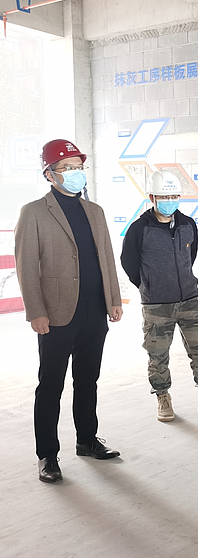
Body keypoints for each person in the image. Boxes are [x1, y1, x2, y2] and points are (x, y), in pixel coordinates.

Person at [15, 139, 123, 484]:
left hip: (94, 310)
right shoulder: (34, 212)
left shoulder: (95, 212)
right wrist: (36, 311)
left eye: (79, 167)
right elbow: (26, 266)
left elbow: (107, 259)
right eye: (67, 168)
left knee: (88, 380)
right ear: (50, 174)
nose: (76, 173)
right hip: (57, 314)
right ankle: (47, 454)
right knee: (50, 385)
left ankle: (87, 440)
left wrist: (114, 299)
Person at [120, 170, 198, 422]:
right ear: (152, 197)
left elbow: (191, 256)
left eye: (174, 196)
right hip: (157, 305)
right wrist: (148, 285)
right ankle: (163, 398)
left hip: (189, 300)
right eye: (164, 196)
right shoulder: (139, 229)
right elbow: (128, 262)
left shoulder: (188, 224)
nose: (170, 201)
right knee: (158, 356)